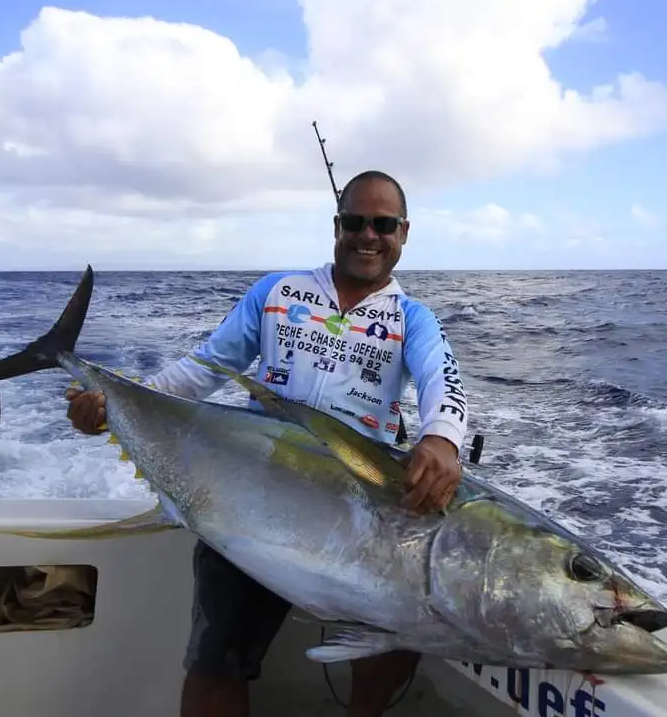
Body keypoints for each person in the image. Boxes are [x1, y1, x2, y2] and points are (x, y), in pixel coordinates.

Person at [63, 170, 469, 717]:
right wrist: (112, 407)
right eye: (355, 221)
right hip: (251, 495)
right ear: (337, 226)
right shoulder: (278, 293)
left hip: (360, 511)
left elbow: (443, 380)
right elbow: (202, 371)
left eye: (383, 224)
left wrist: (442, 437)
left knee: (391, 652)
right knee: (217, 661)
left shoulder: (411, 318)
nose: (368, 235)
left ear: (404, 232)